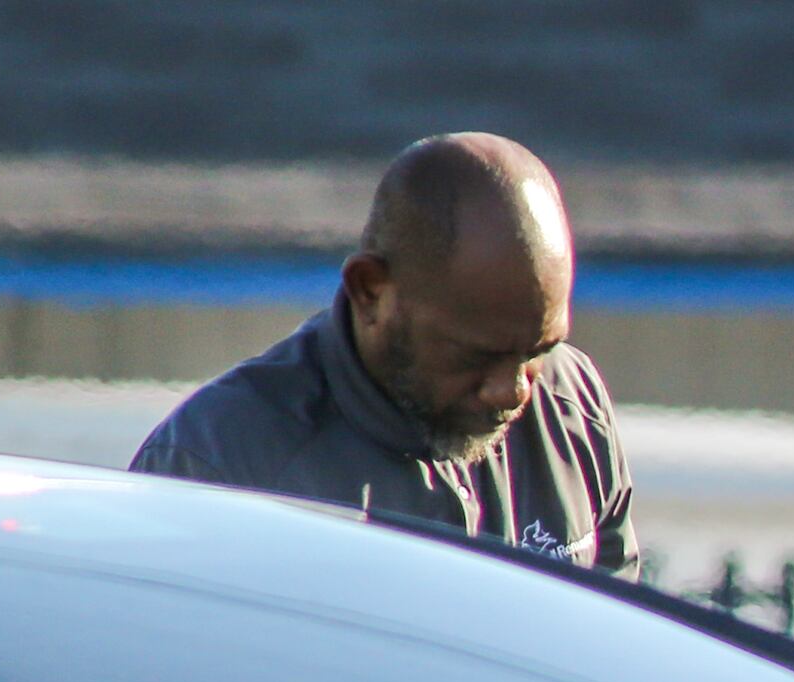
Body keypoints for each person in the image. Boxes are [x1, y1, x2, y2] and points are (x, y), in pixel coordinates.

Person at [132, 134, 634, 572]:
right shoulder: (217, 468)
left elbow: (617, 631)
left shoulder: (574, 405)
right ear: (370, 291)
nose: (513, 390)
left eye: (538, 350)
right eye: (475, 356)